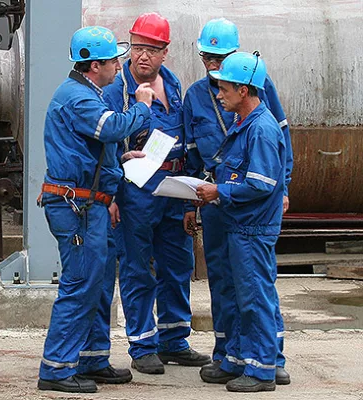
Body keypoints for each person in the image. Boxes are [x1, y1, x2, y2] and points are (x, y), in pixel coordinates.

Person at [37, 25, 156, 393]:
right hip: (78, 208)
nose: (119, 66)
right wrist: (143, 105)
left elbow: (92, 148)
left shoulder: (86, 93)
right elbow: (112, 127)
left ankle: (91, 357)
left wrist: (121, 159)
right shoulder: (79, 98)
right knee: (80, 284)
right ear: (93, 66)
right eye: (113, 61)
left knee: (100, 284)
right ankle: (56, 369)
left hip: (91, 205)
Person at [182, 18, 292, 386]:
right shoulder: (237, 115)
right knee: (233, 288)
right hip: (230, 215)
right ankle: (233, 356)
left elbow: (261, 181)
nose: (218, 90)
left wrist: (222, 192)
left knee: (255, 293)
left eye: (225, 86)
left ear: (244, 89)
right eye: (207, 57)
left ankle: (264, 365)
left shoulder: (259, 125)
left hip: (247, 219)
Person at [102, 12, 210, 375]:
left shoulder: (174, 83)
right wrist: (113, 195)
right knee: (136, 267)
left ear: (165, 52)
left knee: (178, 264)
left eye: (150, 49)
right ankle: (143, 345)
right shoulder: (116, 90)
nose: (141, 56)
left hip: (174, 187)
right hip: (136, 190)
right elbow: (105, 145)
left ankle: (174, 340)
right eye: (136, 48)